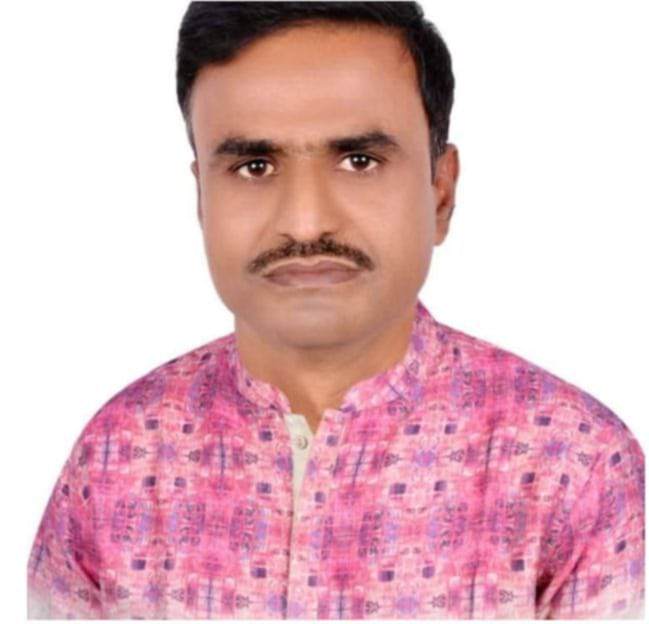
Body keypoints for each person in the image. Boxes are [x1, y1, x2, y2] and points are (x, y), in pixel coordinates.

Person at [26, 1, 644, 619]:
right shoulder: (118, 456)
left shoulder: (571, 465)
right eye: (254, 166)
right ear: (201, 200)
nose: (305, 222)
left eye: (359, 161)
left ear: (440, 192)